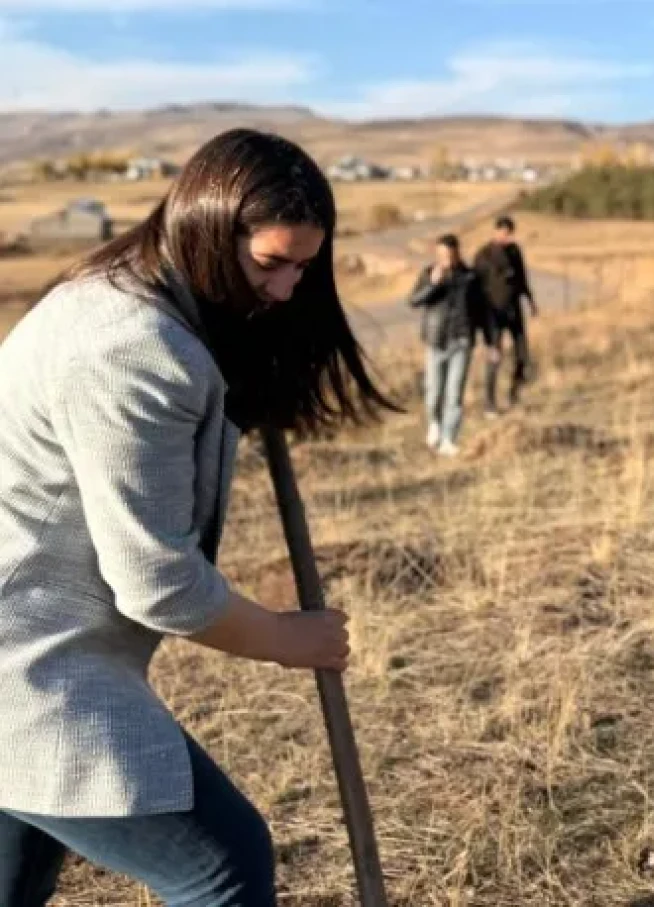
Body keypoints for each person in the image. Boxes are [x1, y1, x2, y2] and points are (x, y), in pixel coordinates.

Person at [0, 128, 393, 905]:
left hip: (34, 637)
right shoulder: (131, 348)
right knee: (221, 865)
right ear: (210, 230)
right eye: (270, 264)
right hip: (28, 664)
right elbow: (159, 583)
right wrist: (288, 637)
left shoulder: (121, 293)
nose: (286, 290)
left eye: (304, 267)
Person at [408, 234, 497, 456]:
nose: (445, 258)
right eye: (441, 255)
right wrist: (432, 284)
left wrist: (490, 343)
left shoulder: (470, 278)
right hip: (436, 341)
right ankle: (434, 424)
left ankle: (449, 439)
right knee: (434, 392)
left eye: (449, 254)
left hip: (462, 341)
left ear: (457, 254)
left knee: (454, 393)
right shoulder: (429, 274)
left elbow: (482, 312)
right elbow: (414, 301)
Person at [472, 216, 538, 416]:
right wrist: (479, 318)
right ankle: (489, 403)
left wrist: (530, 300)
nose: (507, 237)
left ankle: (514, 394)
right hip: (493, 313)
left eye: (510, 233)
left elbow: (522, 277)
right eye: (503, 233)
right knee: (495, 356)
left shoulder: (515, 251)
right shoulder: (484, 255)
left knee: (522, 354)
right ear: (496, 231)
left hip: (514, 310)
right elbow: (476, 287)